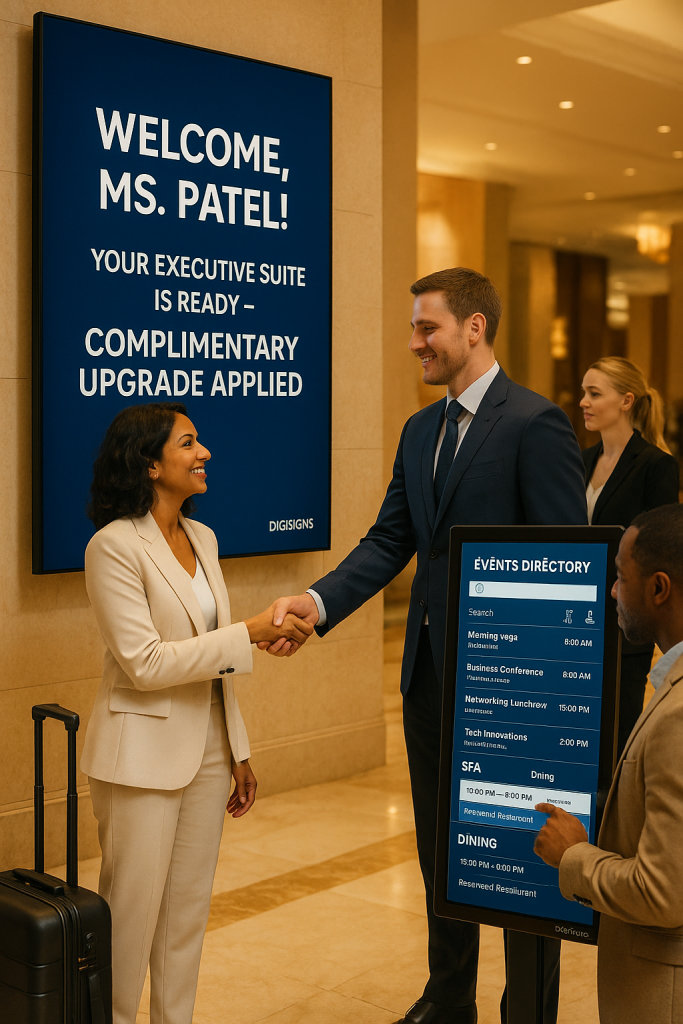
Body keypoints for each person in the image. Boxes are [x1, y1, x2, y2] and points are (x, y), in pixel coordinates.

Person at [260, 268, 588, 1024]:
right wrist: (313, 604)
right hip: (431, 681)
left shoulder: (533, 424)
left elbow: (564, 561)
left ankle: (525, 1010)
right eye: (414, 328)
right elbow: (390, 540)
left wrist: (543, 684)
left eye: (426, 327)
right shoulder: (419, 430)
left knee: (519, 853)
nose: (414, 343)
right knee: (442, 846)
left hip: (512, 689)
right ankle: (448, 996)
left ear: (474, 328)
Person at [80, 402, 313, 1024]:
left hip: (209, 752)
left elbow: (212, 663)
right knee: (129, 923)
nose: (204, 452)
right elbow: (146, 663)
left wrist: (236, 748)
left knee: (185, 918)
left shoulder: (203, 538)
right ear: (151, 464)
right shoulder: (112, 547)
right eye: (188, 443)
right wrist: (250, 630)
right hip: (140, 758)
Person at [534, 503, 683, 1024]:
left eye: (621, 578)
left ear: (659, 587)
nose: (612, 592)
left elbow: (661, 893)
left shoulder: (678, 717)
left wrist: (573, 855)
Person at [580, 357, 679, 754]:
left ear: (626, 400)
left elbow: (660, 550)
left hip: (624, 621)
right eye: (584, 392)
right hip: (579, 618)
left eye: (594, 393)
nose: (584, 402)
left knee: (617, 731)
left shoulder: (656, 465)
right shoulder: (580, 460)